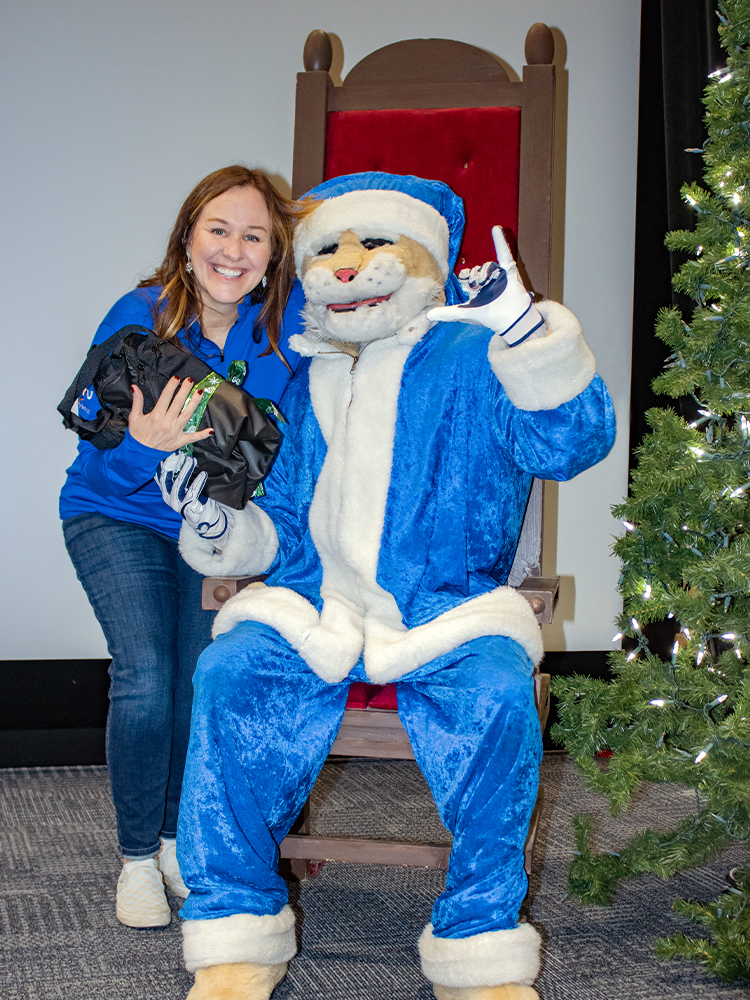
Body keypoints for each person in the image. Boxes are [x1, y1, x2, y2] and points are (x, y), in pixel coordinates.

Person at [58, 165, 307, 930]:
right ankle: (137, 859)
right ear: (188, 239)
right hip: (114, 512)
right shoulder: (141, 315)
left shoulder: (290, 328)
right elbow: (98, 455)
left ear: (273, 254)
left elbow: (296, 453)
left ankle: (174, 840)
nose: (233, 250)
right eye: (218, 230)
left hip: (217, 537)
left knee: (201, 683)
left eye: (254, 235)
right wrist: (142, 446)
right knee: (147, 676)